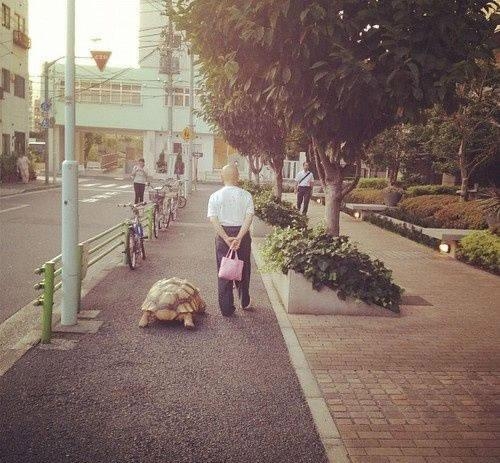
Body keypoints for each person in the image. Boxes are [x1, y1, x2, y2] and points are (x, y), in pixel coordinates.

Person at [207, 164, 254, 316]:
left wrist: (226, 238)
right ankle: (244, 301)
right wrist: (239, 237)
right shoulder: (246, 195)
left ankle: (226, 308)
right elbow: (249, 217)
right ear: (238, 177)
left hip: (223, 235)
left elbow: (213, 219)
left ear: (222, 177)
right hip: (242, 234)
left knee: (224, 270)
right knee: (243, 268)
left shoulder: (215, 196)